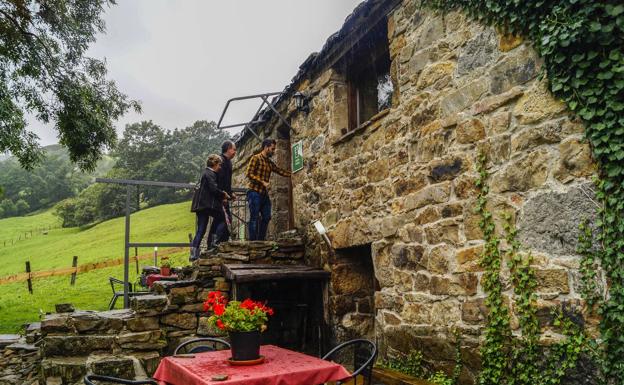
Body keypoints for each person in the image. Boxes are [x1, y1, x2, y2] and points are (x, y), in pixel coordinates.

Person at [245, 138, 291, 241]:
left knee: (267, 216)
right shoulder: (255, 158)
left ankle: (260, 240)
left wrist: (292, 174)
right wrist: (262, 182)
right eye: (272, 149)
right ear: (266, 147)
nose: (274, 151)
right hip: (253, 192)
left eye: (274, 149)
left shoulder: (269, 163)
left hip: (263, 194)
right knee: (254, 217)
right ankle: (253, 242)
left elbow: (279, 171)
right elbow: (249, 174)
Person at [190, 154, 231, 260]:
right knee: (223, 218)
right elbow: (213, 189)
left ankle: (193, 254)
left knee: (201, 229)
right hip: (206, 205)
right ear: (214, 164)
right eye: (219, 165)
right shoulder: (210, 173)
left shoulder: (205, 173)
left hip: (201, 206)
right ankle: (213, 243)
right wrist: (224, 194)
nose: (220, 167)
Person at [207, 140, 236, 244]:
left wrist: (230, 192)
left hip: (224, 195)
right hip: (219, 196)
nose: (235, 152)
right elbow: (219, 180)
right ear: (228, 149)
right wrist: (223, 196)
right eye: (234, 149)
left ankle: (219, 242)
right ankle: (214, 242)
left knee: (223, 219)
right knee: (223, 218)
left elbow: (227, 181)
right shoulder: (221, 161)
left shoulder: (228, 162)